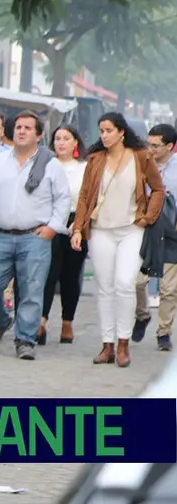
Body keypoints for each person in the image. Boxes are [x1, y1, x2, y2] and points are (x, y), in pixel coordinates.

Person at [0, 111, 71, 360]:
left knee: (32, 290)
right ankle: (0, 322)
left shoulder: (50, 164)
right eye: (18, 127)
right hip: (0, 236)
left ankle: (25, 340)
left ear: (39, 135)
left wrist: (53, 227)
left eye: (27, 128)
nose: (21, 131)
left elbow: (64, 199)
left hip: (35, 237)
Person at [71, 112, 166, 368]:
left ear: (121, 132)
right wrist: (78, 228)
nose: (104, 135)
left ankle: (124, 343)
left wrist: (148, 217)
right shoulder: (95, 159)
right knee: (105, 287)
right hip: (101, 229)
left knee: (125, 283)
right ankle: (107, 345)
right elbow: (84, 196)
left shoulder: (141, 156)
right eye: (101, 131)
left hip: (131, 229)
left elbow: (158, 189)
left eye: (109, 130)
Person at [40, 125, 88, 345]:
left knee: (70, 275)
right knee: (47, 273)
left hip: (75, 223)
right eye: (57, 138)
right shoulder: (46, 165)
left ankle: (67, 321)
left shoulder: (85, 168)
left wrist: (79, 225)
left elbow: (88, 199)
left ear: (75, 142)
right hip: (49, 222)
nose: (61, 143)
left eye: (66, 138)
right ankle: (41, 321)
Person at [132, 123, 177, 350]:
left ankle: (164, 332)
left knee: (169, 288)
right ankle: (142, 315)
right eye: (148, 144)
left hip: (172, 233)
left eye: (156, 145)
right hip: (144, 230)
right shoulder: (140, 165)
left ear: (170, 146)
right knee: (138, 282)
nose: (150, 149)